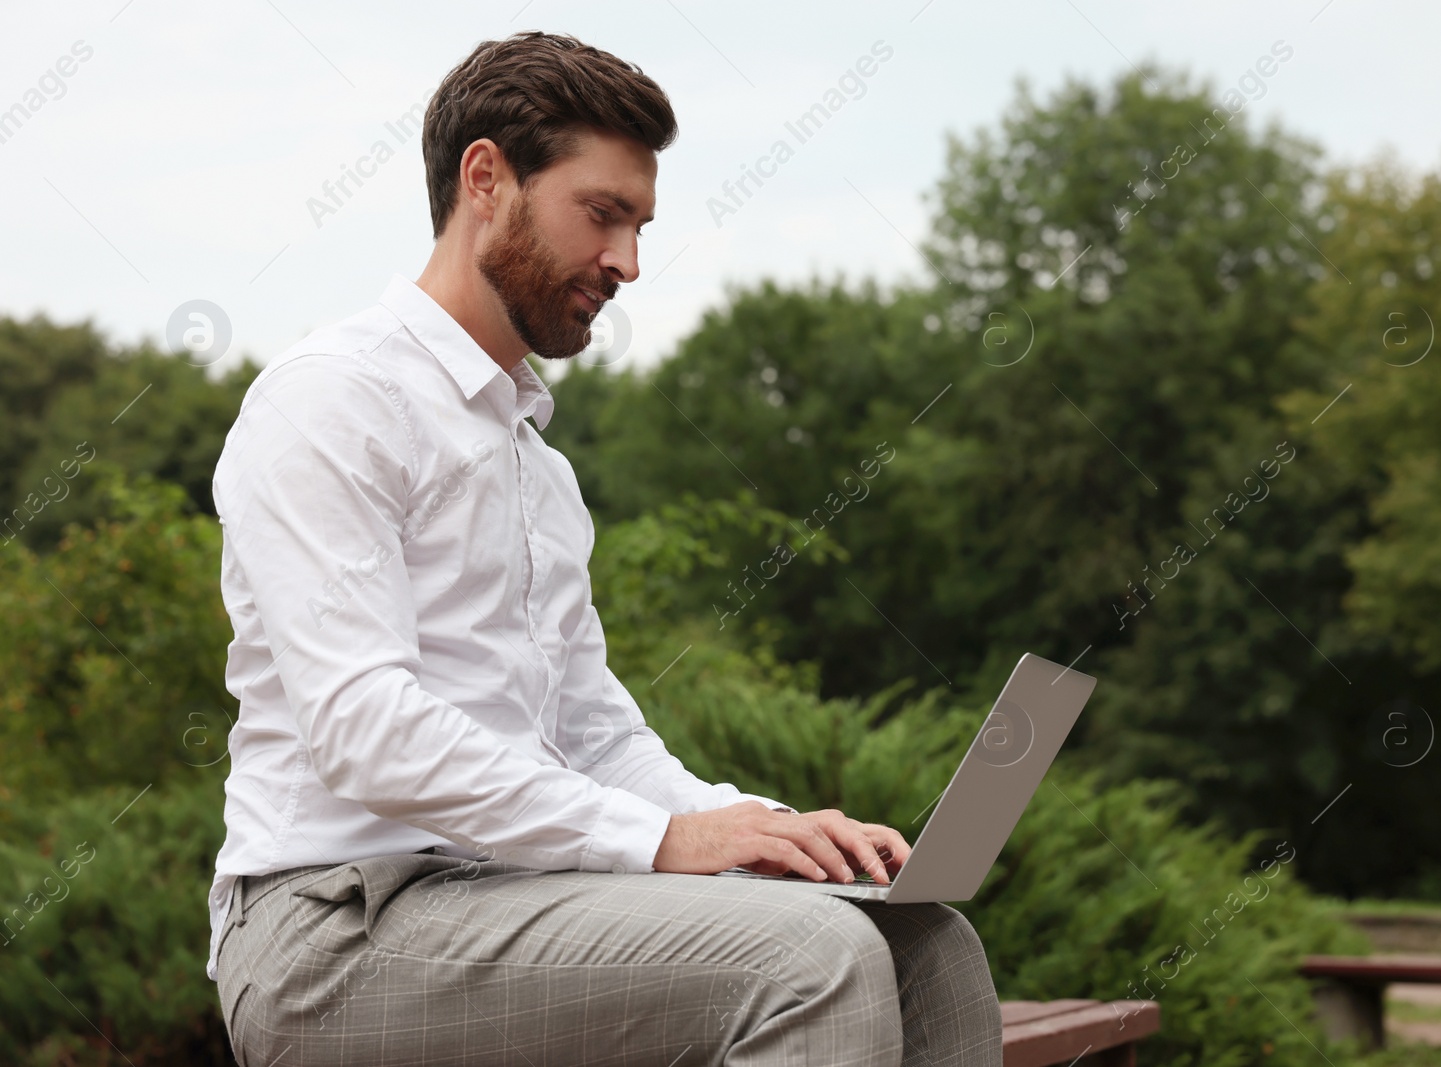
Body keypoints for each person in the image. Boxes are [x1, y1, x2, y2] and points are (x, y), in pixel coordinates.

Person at [208, 29, 1003, 1066]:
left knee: (927, 943)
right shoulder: (332, 401)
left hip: (511, 894)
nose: (627, 261)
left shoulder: (538, 469)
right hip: (335, 928)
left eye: (639, 224)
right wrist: (667, 842)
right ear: (485, 179)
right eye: (603, 214)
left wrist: (763, 824)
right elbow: (366, 728)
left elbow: (593, 734)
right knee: (808, 961)